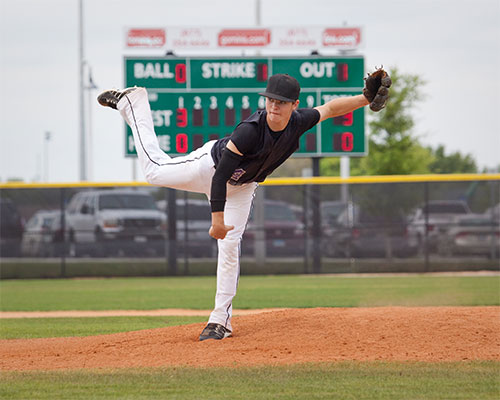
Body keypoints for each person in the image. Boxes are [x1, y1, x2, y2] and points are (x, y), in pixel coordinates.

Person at [97, 71, 390, 341]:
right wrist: (216, 220)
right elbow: (221, 175)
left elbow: (330, 109)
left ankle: (219, 321)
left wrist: (365, 99)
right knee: (154, 172)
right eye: (271, 100)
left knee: (230, 248)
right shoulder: (250, 130)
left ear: (294, 105)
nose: (274, 106)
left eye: (282, 102)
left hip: (243, 187)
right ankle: (134, 102)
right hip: (208, 168)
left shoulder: (300, 120)